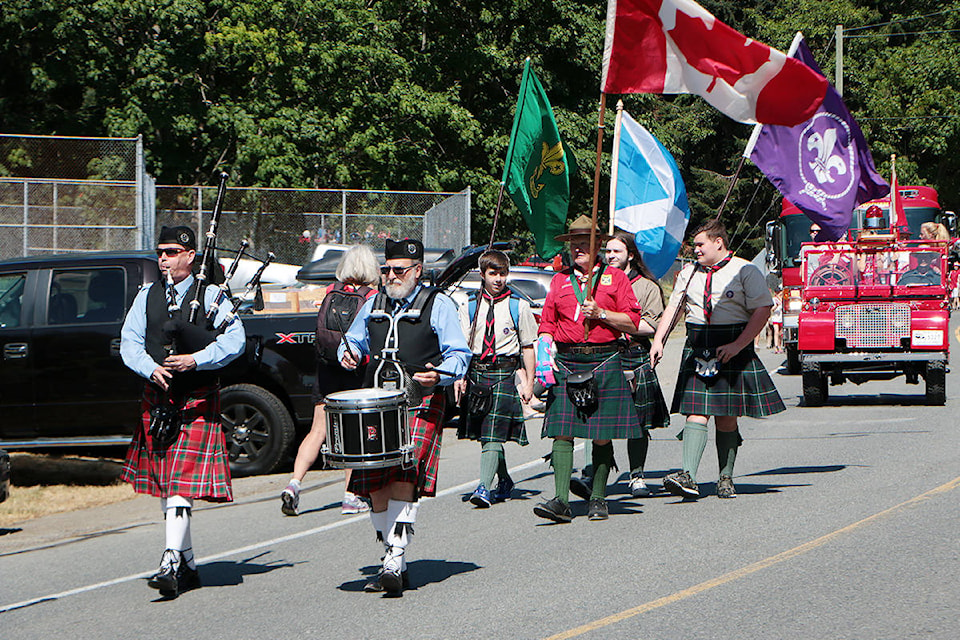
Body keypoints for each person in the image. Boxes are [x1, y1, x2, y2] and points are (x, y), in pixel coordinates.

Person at [119, 225, 246, 598]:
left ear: (191, 256)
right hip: (159, 399)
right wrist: (150, 368)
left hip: (197, 398)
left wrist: (197, 359)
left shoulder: (211, 295)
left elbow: (235, 339)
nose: (163, 258)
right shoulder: (147, 296)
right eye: (161, 251)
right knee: (168, 486)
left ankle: (171, 559)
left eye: (172, 252)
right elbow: (129, 343)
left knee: (177, 483)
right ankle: (187, 563)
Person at [338, 238, 470, 595]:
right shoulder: (373, 303)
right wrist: (346, 354)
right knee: (376, 486)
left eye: (399, 270)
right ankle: (392, 558)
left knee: (404, 475)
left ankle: (395, 557)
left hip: (420, 400)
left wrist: (441, 374)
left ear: (416, 271)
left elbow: (460, 353)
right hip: (378, 404)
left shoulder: (437, 304)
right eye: (386, 269)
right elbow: (353, 341)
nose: (391, 276)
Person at [650, 219, 785, 500]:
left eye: (700, 244)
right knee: (695, 412)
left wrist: (738, 345)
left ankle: (726, 478)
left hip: (732, 343)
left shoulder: (745, 270)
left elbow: (763, 309)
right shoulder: (688, 273)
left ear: (718, 242)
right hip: (698, 343)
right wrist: (659, 340)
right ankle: (688, 475)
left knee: (726, 417)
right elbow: (674, 307)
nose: (695, 250)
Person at [533, 215, 643, 523]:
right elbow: (548, 323)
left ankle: (597, 497)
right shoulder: (558, 281)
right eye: (574, 244)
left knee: (601, 435)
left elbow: (633, 321)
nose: (578, 249)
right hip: (568, 361)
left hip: (604, 358)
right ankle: (561, 501)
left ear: (597, 248)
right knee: (561, 432)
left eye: (584, 244)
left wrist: (603, 312)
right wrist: (544, 349)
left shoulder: (616, 278)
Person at [280, 244, 380, 517]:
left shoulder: (330, 292)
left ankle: (294, 484)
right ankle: (351, 496)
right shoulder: (373, 297)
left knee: (317, 431)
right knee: (353, 435)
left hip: (326, 369)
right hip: (355, 371)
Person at [454, 250, 538, 508]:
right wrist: (460, 376)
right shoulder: (468, 305)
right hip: (477, 372)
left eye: (502, 274)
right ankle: (504, 480)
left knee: (491, 433)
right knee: (488, 434)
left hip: (503, 373)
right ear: (482, 275)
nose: (499, 279)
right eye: (493, 274)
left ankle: (483, 487)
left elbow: (527, 346)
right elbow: (460, 347)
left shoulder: (518, 306)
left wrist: (529, 383)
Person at [601, 230, 670, 498]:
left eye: (616, 251)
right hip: (602, 355)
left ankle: (637, 475)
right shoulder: (596, 283)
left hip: (633, 354)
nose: (610, 256)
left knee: (637, 421)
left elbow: (648, 325)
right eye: (607, 251)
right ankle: (594, 474)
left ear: (630, 255)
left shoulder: (646, 287)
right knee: (597, 419)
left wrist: (606, 316)